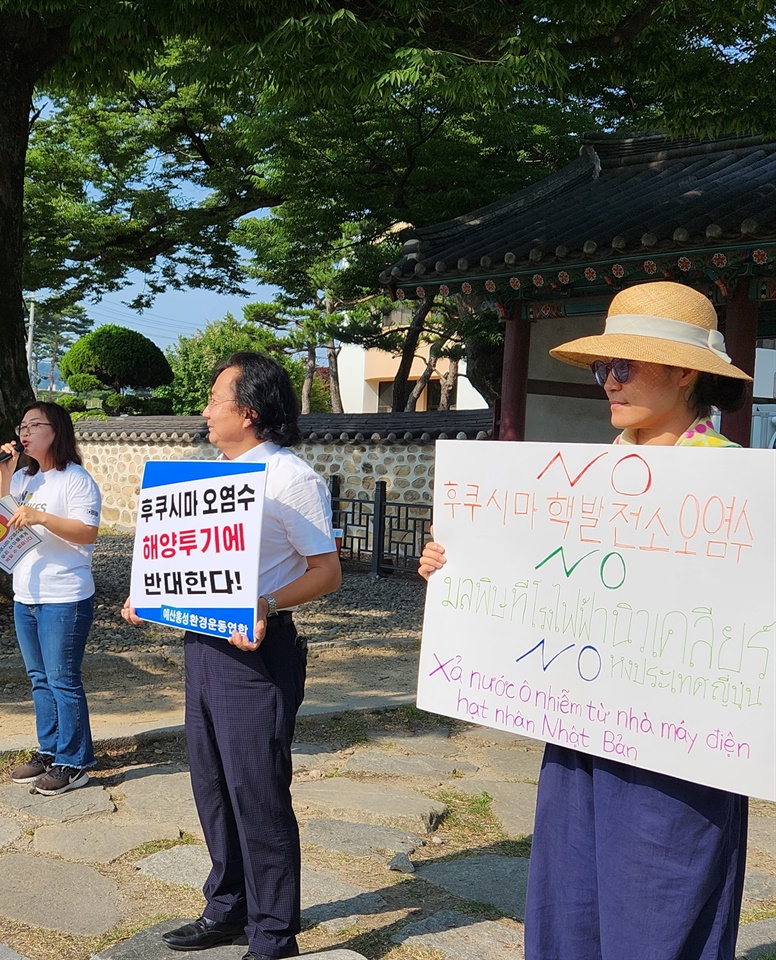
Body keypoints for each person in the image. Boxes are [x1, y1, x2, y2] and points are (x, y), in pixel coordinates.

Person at [418, 281, 752, 960]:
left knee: (657, 916)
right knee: (570, 906)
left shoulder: (733, 483)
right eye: (603, 367)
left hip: (678, 743)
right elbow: (537, 578)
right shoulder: (585, 476)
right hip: (581, 725)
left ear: (685, 371)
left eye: (624, 365)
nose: (608, 382)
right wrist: (457, 567)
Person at [121, 352, 341, 960]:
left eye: (214, 400)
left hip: (257, 653)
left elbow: (327, 572)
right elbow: (185, 559)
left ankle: (273, 932)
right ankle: (227, 907)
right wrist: (151, 595)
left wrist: (265, 602)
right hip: (203, 646)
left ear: (248, 412)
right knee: (212, 783)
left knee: (258, 790)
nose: (205, 410)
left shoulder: (290, 478)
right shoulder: (209, 478)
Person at [0, 401, 102, 796]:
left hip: (65, 595)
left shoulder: (76, 479)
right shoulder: (23, 477)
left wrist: (41, 518)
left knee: (62, 680)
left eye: (33, 425)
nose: (24, 433)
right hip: (28, 593)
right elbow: (0, 515)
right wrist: (5, 471)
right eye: (21, 426)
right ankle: (50, 749)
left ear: (55, 430)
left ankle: (75, 762)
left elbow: (87, 532)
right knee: (39, 679)